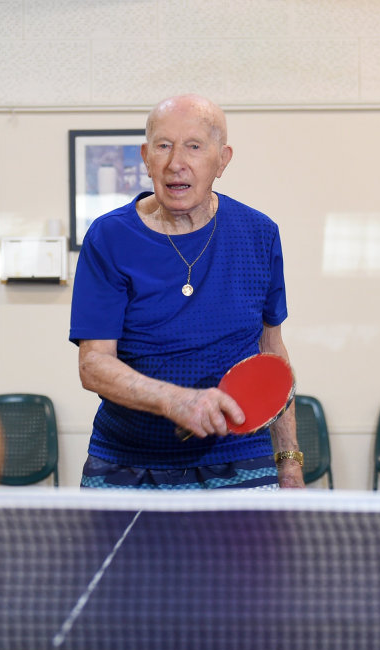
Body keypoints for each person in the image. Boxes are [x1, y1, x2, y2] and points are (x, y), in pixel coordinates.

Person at [69, 94, 305, 490]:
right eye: (163, 146)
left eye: (194, 146)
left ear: (222, 159)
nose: (175, 162)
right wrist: (174, 400)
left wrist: (289, 461)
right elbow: (93, 365)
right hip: (126, 464)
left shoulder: (260, 234)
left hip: (239, 460)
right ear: (146, 156)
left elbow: (273, 355)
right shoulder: (108, 237)